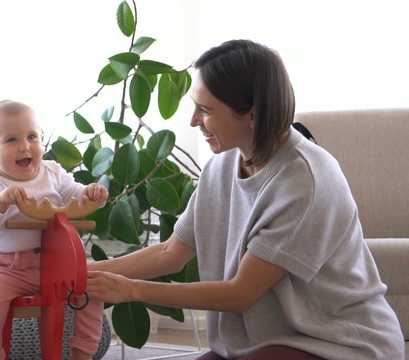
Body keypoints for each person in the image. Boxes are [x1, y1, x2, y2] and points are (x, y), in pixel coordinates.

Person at [86, 39, 405, 360]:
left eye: (206, 110)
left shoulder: (304, 180)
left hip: (340, 344)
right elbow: (171, 252)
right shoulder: (221, 167)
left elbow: (240, 294)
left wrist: (130, 290)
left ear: (252, 114)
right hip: (263, 342)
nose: (193, 120)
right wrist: (83, 273)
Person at [0, 100, 108, 360]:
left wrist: (90, 192)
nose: (25, 146)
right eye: (11, 139)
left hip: (55, 263)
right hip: (7, 268)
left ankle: (83, 351)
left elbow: (74, 193)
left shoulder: (52, 171)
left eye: (32, 136)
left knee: (92, 286)